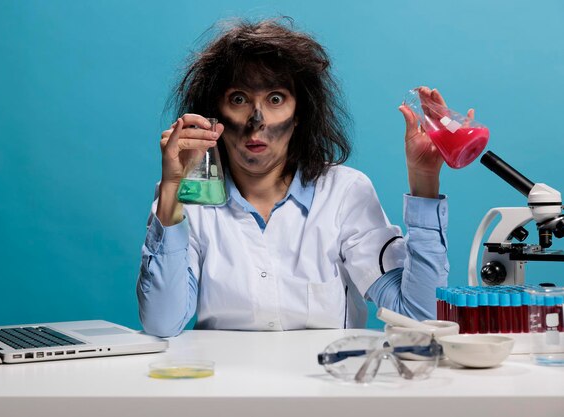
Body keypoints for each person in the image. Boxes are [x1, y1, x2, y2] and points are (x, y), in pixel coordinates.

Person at [137, 18, 467, 338]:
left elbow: (419, 316)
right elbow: (162, 323)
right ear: (214, 116)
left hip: (330, 387)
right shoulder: (190, 200)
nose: (257, 119)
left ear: (300, 116)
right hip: (228, 389)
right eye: (238, 99)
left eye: (276, 99)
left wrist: (425, 181)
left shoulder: (344, 193)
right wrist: (172, 189)